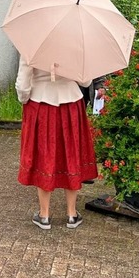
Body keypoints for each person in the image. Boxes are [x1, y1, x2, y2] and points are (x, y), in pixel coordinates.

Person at [15, 56, 98, 230]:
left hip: (41, 103)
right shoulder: (74, 43)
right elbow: (85, 81)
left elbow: (23, 85)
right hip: (71, 103)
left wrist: (25, 99)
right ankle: (71, 214)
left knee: (44, 154)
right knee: (71, 152)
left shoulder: (33, 43)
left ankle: (44, 215)